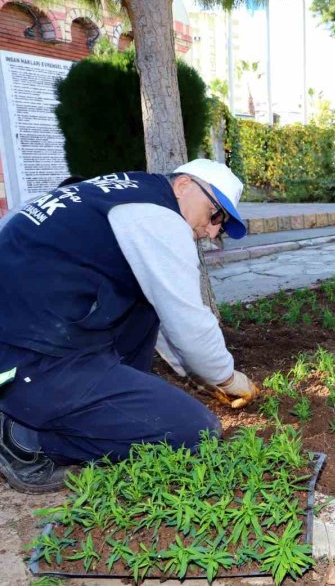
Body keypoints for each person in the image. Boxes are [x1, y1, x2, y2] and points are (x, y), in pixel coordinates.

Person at [0, 160, 260, 494]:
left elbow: (168, 316)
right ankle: (24, 440)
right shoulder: (158, 218)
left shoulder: (123, 193)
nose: (212, 232)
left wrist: (195, 373)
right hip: (29, 361)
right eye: (214, 215)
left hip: (31, 334)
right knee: (197, 431)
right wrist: (226, 378)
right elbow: (188, 320)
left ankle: (110, 398)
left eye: (220, 226)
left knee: (144, 304)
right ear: (183, 186)